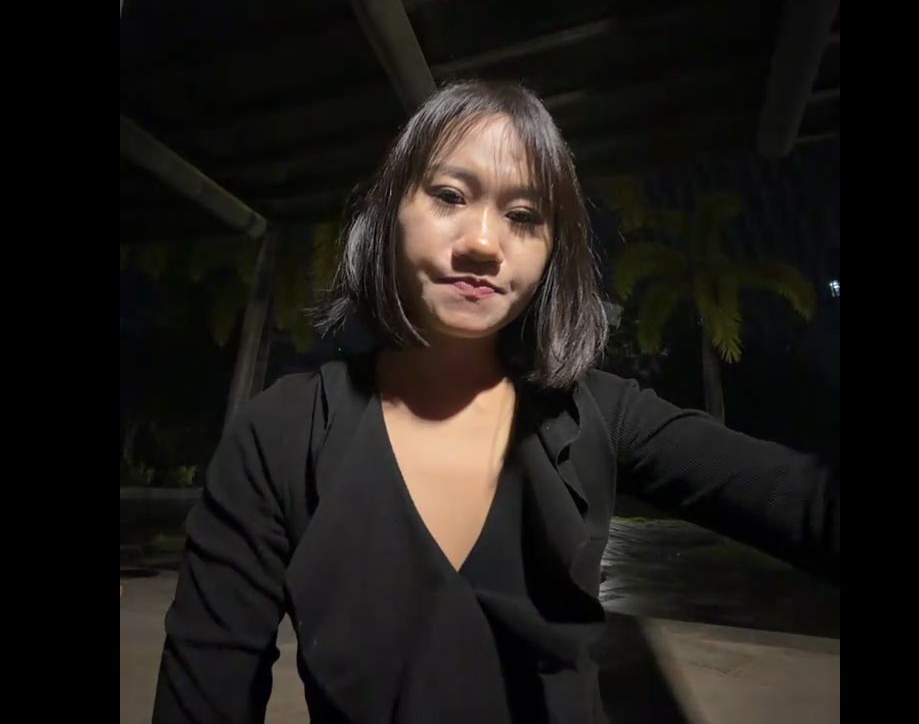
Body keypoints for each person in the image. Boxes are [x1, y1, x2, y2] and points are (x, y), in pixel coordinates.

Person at [152, 79, 839, 723]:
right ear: (388, 215)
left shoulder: (602, 414)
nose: (484, 243)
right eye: (450, 196)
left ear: (552, 252)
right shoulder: (279, 435)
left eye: (524, 216)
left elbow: (808, 504)